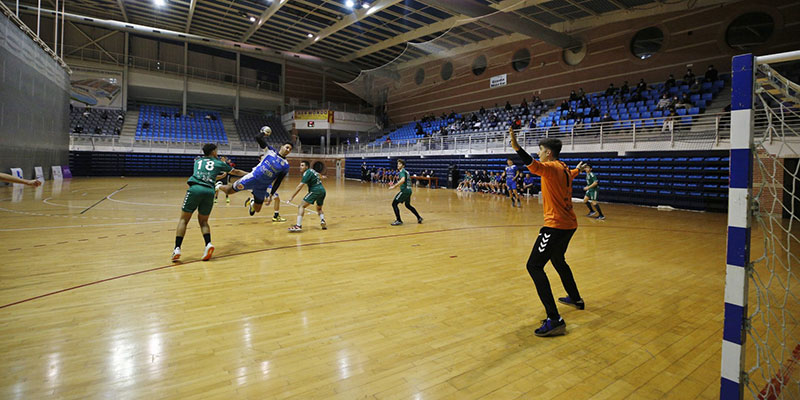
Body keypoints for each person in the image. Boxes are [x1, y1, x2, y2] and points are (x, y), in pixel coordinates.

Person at [508, 127, 585, 337]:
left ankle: (554, 319)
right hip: (569, 224)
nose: (538, 153)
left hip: (555, 226)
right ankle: (575, 298)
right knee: (558, 260)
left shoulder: (550, 167)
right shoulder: (564, 168)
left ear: (548, 153)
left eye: (540, 150)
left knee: (534, 266)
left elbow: (533, 165)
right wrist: (578, 170)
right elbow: (570, 175)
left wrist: (516, 147)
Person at [172, 143, 247, 262]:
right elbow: (236, 172)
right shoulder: (219, 163)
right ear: (213, 152)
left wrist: (216, 176)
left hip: (195, 189)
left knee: (184, 220)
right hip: (209, 191)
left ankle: (177, 249)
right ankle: (208, 244)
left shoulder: (197, 161)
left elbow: (203, 174)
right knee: (204, 221)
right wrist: (251, 174)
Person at [215, 141, 293, 217]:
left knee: (257, 209)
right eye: (287, 147)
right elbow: (258, 138)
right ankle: (218, 186)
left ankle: (252, 202)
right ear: (282, 147)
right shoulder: (270, 153)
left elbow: (278, 181)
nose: (288, 150)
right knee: (229, 191)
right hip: (252, 179)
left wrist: (271, 194)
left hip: (263, 186)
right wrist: (264, 134)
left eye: (290, 149)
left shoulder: (285, 165)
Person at [287, 161, 327, 232]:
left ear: (306, 167)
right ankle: (322, 220)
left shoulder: (307, 173)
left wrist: (292, 197)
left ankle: (298, 226)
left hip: (315, 191)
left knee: (301, 206)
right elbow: (319, 174)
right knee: (319, 208)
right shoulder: (312, 170)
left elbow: (300, 187)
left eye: (302, 165)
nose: (300, 167)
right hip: (322, 191)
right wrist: (322, 177)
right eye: (300, 165)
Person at [388, 159, 423, 226]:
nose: (398, 165)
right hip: (409, 190)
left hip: (405, 191)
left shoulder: (402, 171)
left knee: (394, 204)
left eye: (400, 164)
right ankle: (419, 217)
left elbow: (403, 180)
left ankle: (399, 220)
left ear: (403, 165)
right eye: (398, 163)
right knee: (408, 205)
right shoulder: (406, 172)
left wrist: (394, 186)